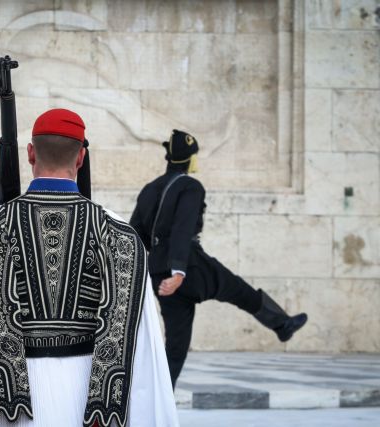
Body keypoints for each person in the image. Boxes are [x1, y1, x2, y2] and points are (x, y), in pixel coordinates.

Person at [0, 109, 179, 427]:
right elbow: (144, 347)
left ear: (30, 153)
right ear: (81, 157)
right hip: (93, 408)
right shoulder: (120, 234)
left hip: (9, 410)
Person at [129, 129, 308, 388]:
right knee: (238, 290)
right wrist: (178, 272)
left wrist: (155, 263)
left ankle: (159, 399)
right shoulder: (190, 186)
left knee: (176, 346)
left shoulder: (149, 189)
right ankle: (282, 324)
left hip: (158, 273)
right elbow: (182, 227)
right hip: (189, 266)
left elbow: (135, 233)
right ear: (189, 159)